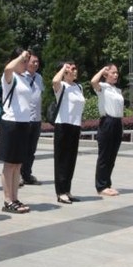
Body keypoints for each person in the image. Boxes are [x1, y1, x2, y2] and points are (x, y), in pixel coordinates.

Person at [0, 48, 38, 213]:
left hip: (23, 123)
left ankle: (15, 197)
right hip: (11, 123)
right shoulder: (10, 76)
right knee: (9, 164)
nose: (25, 63)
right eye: (23, 60)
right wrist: (21, 56)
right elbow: (7, 68)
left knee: (18, 165)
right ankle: (7, 200)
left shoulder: (24, 78)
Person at [50, 60, 85, 204]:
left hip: (75, 126)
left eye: (75, 68)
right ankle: (60, 192)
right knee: (61, 160)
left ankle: (67, 190)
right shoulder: (61, 86)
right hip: (62, 125)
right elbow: (54, 80)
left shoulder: (79, 87)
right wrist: (64, 67)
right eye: (72, 69)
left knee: (71, 160)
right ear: (64, 72)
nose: (75, 71)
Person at [91, 63, 125, 196]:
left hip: (117, 122)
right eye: (113, 72)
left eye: (117, 73)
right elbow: (93, 81)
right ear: (106, 75)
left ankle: (107, 183)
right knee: (104, 155)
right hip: (107, 122)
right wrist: (102, 69)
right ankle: (101, 185)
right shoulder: (103, 87)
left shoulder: (117, 90)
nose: (116, 75)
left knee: (112, 155)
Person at [20, 52, 44, 186]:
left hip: (36, 118)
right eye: (33, 61)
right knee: (21, 148)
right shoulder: (21, 76)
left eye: (37, 62)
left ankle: (27, 174)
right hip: (24, 118)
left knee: (31, 149)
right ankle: (18, 174)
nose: (35, 64)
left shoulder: (39, 78)